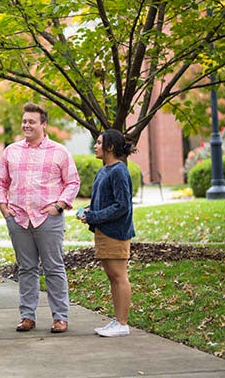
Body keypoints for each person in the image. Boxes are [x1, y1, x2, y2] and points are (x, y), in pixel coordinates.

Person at [0, 102, 80, 334]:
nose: (26, 125)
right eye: (24, 121)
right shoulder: (10, 151)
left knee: (54, 267)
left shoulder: (59, 152)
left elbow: (73, 182)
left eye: (31, 121)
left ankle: (60, 317)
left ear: (43, 124)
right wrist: (4, 208)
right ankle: (27, 317)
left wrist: (59, 206)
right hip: (19, 218)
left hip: (48, 219)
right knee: (26, 269)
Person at [79, 129, 135, 337]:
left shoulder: (119, 171)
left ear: (110, 147)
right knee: (112, 276)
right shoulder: (105, 169)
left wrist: (94, 216)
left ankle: (122, 323)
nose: (95, 146)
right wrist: (89, 211)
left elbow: (122, 206)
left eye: (99, 142)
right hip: (103, 230)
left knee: (119, 276)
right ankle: (118, 320)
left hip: (116, 232)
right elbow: (104, 200)